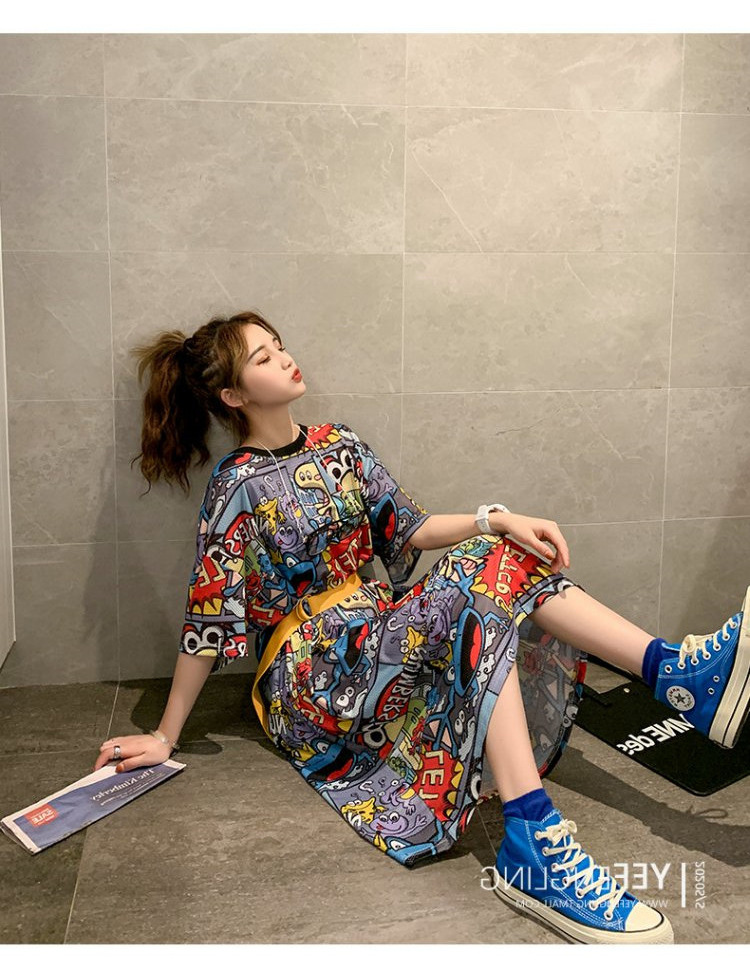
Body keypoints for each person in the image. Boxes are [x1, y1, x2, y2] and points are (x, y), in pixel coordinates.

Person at [92, 309, 750, 945]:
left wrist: (496, 518)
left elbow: (410, 528)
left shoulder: (340, 444)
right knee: (479, 575)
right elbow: (208, 616)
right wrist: (165, 734)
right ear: (233, 395)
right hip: (313, 671)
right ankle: (655, 708)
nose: (285, 358)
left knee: (499, 556)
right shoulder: (236, 485)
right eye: (263, 357)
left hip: (380, 628)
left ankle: (673, 682)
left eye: (279, 343)